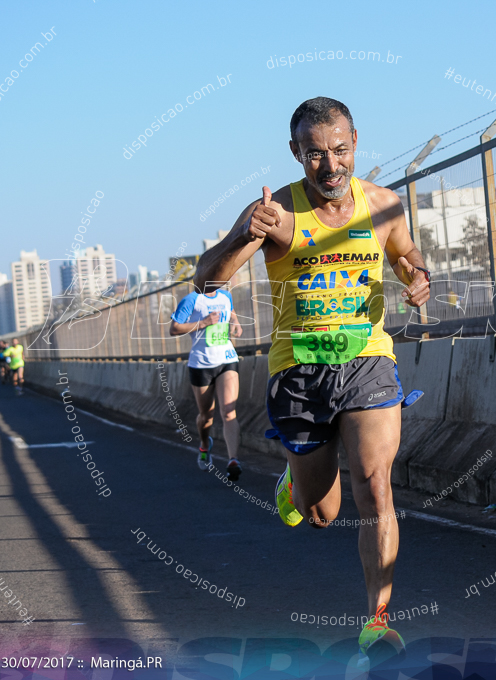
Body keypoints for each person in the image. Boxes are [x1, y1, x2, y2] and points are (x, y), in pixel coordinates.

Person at [192, 97, 430, 660]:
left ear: (355, 143)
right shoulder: (276, 213)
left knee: (376, 486)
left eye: (340, 150)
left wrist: (418, 278)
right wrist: (242, 236)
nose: (330, 165)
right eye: (316, 154)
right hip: (297, 373)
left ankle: (377, 620)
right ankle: (296, 486)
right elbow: (207, 280)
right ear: (297, 153)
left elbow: (408, 257)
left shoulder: (384, 205)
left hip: (370, 361)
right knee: (323, 514)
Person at [169, 287, 245, 478]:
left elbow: (232, 310)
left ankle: (233, 459)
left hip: (227, 359)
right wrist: (202, 323)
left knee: (228, 411)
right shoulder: (192, 300)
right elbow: (174, 328)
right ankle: (204, 445)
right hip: (201, 363)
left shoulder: (226, 295)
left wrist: (235, 322)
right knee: (206, 415)